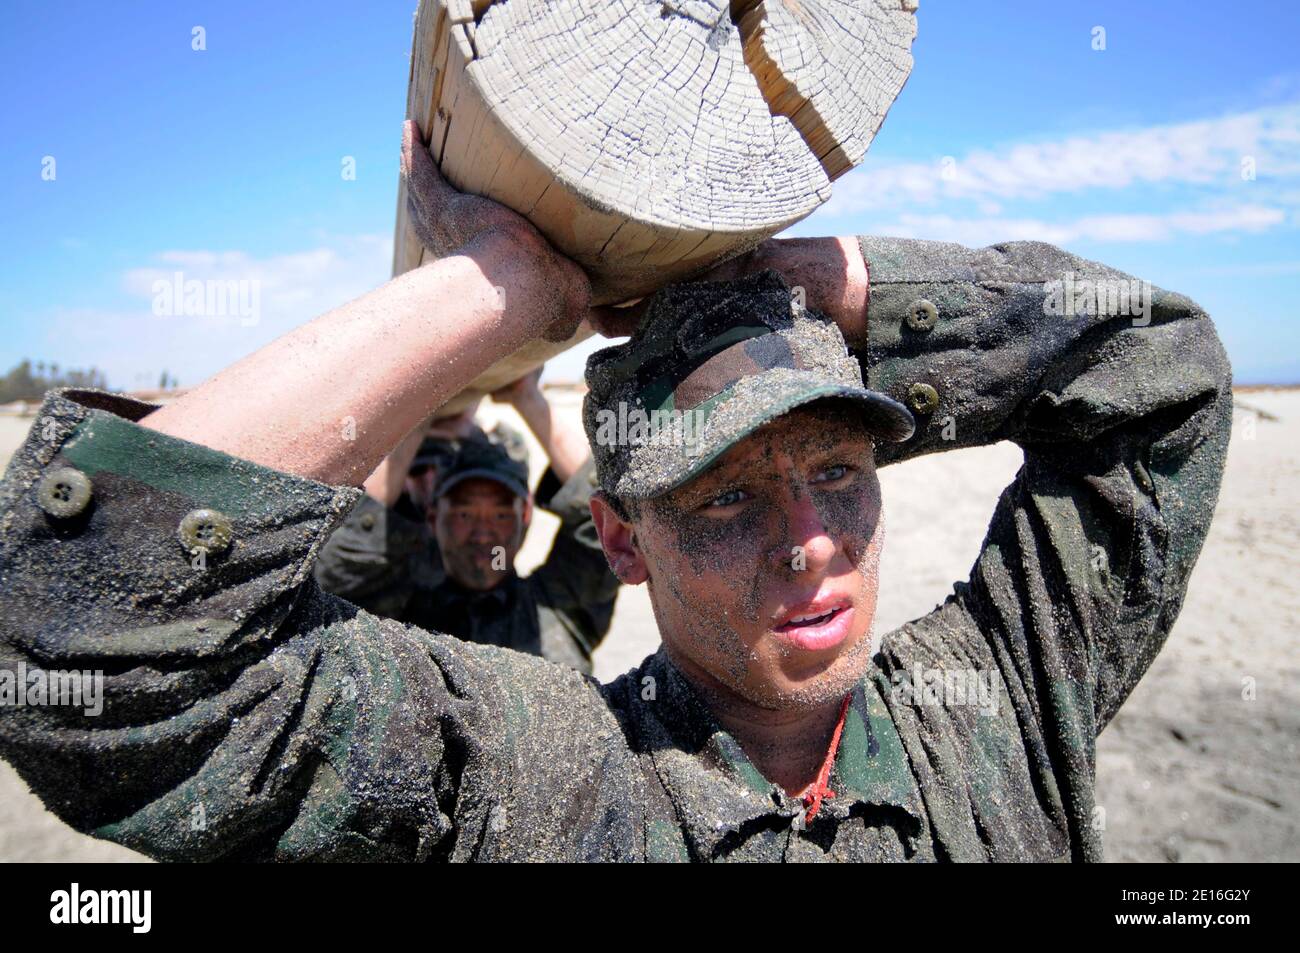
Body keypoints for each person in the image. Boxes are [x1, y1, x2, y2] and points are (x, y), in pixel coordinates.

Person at [0, 120, 1230, 861]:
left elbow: (1158, 377)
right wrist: (501, 289)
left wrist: (829, 282)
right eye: (726, 499)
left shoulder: (995, 704)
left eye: (837, 471)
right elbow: (89, 645)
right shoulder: (549, 775)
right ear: (619, 541)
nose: (809, 540)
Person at [313, 372, 613, 671]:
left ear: (525, 515)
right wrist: (419, 421)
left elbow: (608, 521)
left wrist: (527, 398)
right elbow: (341, 564)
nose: (483, 534)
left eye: (500, 514)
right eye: (464, 514)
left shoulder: (559, 606)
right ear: (433, 517)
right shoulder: (393, 615)